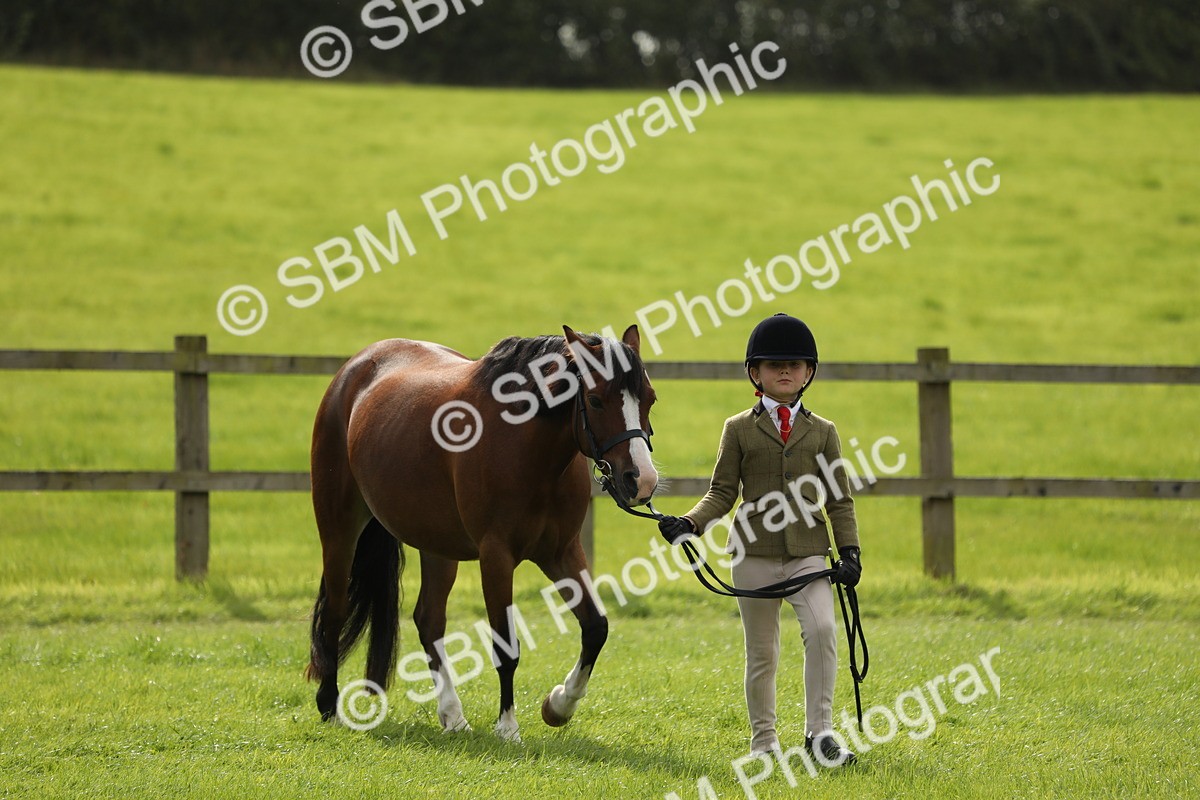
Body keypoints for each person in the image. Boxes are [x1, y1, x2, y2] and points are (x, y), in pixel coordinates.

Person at [657, 313, 862, 766]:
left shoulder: (824, 432)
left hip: (810, 554)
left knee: (824, 631)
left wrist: (849, 550)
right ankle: (764, 741)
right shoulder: (739, 429)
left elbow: (839, 499)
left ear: (809, 372)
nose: (784, 372)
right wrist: (690, 523)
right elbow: (722, 492)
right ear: (756, 373)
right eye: (773, 365)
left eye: (794, 364)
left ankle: (821, 734)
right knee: (762, 652)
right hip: (754, 554)